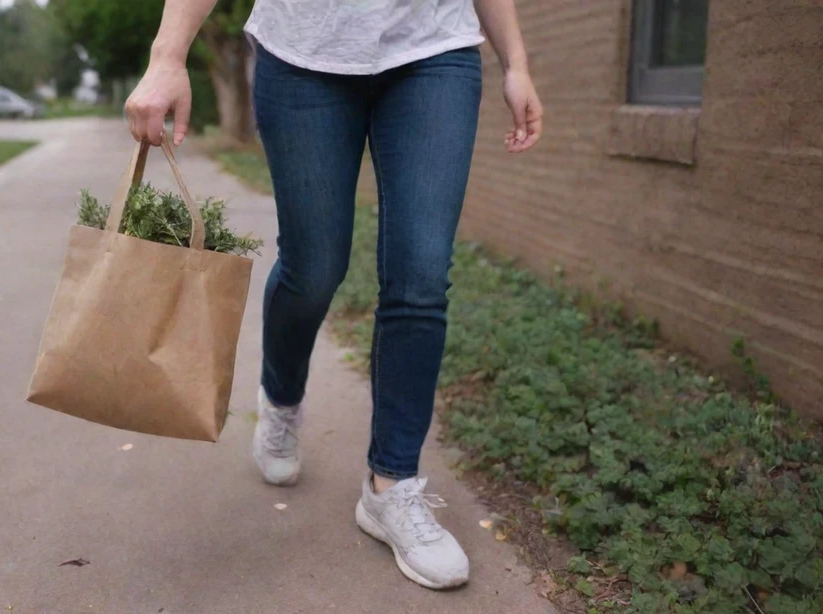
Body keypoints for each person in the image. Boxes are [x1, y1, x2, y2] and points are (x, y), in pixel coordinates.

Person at [125, 0, 542, 590]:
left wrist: (515, 61)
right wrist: (167, 55)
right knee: (314, 268)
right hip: (303, 53)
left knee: (421, 277)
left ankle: (391, 487)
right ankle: (281, 400)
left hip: (434, 52)